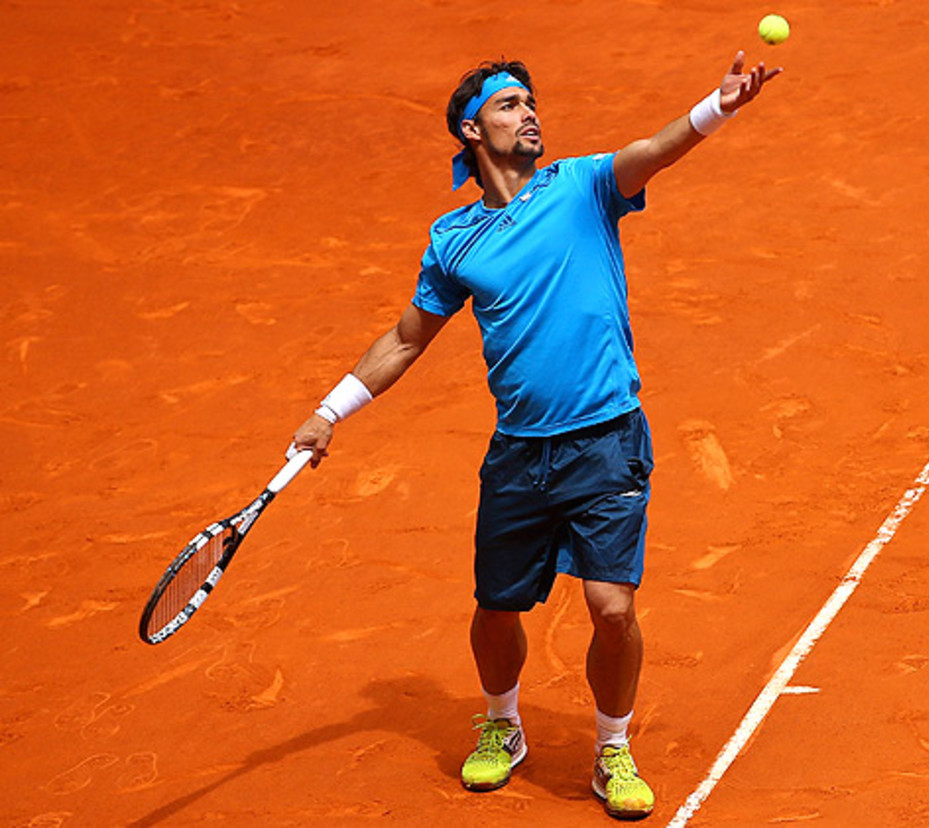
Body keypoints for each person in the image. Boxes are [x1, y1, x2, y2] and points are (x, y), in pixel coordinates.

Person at [290, 51, 780, 820]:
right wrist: (328, 411)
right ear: (471, 127)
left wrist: (717, 108)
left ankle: (612, 745)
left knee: (612, 608)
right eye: (511, 105)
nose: (530, 115)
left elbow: (655, 151)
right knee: (496, 607)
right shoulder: (455, 240)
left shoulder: (582, 187)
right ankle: (504, 724)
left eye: (531, 103)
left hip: (608, 440)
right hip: (520, 451)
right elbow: (407, 337)